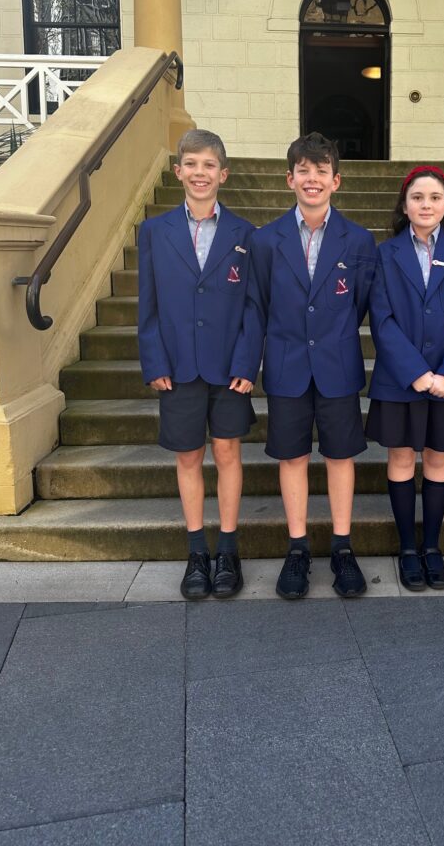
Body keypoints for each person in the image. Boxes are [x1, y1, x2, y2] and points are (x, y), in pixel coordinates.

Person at [232, 132, 376, 600]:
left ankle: (342, 547)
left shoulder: (358, 241)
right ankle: (297, 548)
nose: (312, 179)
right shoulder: (265, 240)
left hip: (337, 364)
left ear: (336, 180)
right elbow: (257, 306)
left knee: (340, 456)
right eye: (304, 171)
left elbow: (359, 304)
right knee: (292, 457)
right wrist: (248, 364)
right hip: (287, 364)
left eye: (322, 171)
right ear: (289, 178)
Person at [138, 129, 256, 601]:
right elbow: (147, 303)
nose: (200, 173)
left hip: (229, 368)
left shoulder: (245, 234)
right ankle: (196, 552)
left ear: (223, 174)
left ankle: (227, 549)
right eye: (191, 164)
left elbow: (253, 307)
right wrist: (154, 360)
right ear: (178, 171)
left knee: (227, 452)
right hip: (178, 365)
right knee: (188, 456)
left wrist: (247, 361)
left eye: (209, 165)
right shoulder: (155, 231)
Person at [366, 166, 444, 591]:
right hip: (400, 379)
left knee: (437, 458)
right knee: (400, 458)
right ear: (404, 205)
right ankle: (406, 549)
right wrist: (415, 372)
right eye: (417, 197)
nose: (426, 204)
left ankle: (431, 547)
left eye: (435, 197)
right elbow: (381, 318)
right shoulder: (385, 254)